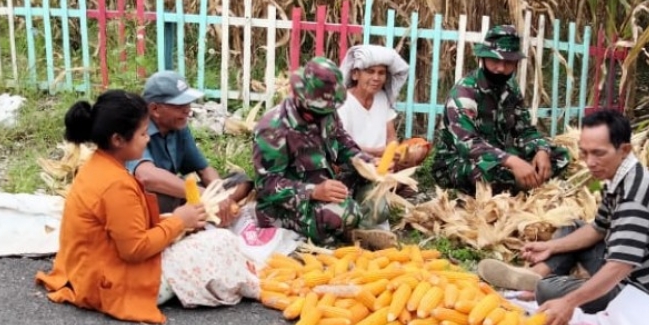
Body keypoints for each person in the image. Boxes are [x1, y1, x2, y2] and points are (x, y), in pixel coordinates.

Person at [36, 90, 258, 324]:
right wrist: (179, 221)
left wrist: (176, 222)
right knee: (221, 242)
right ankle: (257, 287)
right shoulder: (116, 185)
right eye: (142, 133)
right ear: (117, 140)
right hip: (109, 283)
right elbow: (134, 250)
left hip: (87, 270)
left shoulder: (98, 165)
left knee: (204, 235)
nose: (147, 138)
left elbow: (124, 228)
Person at [477, 109, 649, 325]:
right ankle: (534, 275)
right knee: (573, 226)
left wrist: (569, 303)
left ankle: (542, 284)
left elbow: (620, 266)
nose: (590, 162)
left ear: (624, 150)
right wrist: (550, 246)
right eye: (585, 153)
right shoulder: (620, 175)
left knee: (551, 291)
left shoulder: (634, 196)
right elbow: (598, 229)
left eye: (598, 153)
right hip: (633, 273)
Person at [252, 56, 394, 248]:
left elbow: (343, 143)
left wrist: (367, 162)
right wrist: (313, 192)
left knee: (372, 184)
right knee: (347, 212)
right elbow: (267, 186)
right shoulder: (273, 128)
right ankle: (333, 235)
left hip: (324, 183)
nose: (327, 114)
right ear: (302, 98)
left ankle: (355, 229)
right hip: (285, 206)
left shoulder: (325, 111)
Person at [432, 24, 570, 194]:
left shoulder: (510, 88)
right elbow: (467, 145)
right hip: (459, 161)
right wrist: (512, 161)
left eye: (508, 62)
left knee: (559, 156)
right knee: (489, 175)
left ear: (516, 63)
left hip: (500, 156)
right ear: (482, 59)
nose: (501, 69)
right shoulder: (465, 92)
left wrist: (541, 150)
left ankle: (523, 181)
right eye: (495, 61)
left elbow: (524, 131)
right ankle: (523, 183)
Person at [129, 70, 252, 220]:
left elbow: (204, 169)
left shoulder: (178, 127)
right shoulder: (135, 129)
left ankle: (204, 215)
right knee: (158, 197)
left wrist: (219, 196)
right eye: (179, 106)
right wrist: (199, 193)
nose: (187, 110)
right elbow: (146, 176)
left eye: (187, 104)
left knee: (241, 181)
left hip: (181, 195)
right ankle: (198, 217)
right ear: (155, 109)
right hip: (147, 199)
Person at [337, 44, 431, 167]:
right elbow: (342, 147)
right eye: (370, 72)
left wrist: (394, 151)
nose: (376, 78)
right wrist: (379, 153)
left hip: (383, 160)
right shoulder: (343, 102)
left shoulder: (381, 97)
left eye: (381, 73)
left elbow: (391, 137)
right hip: (355, 161)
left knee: (420, 146)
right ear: (355, 74)